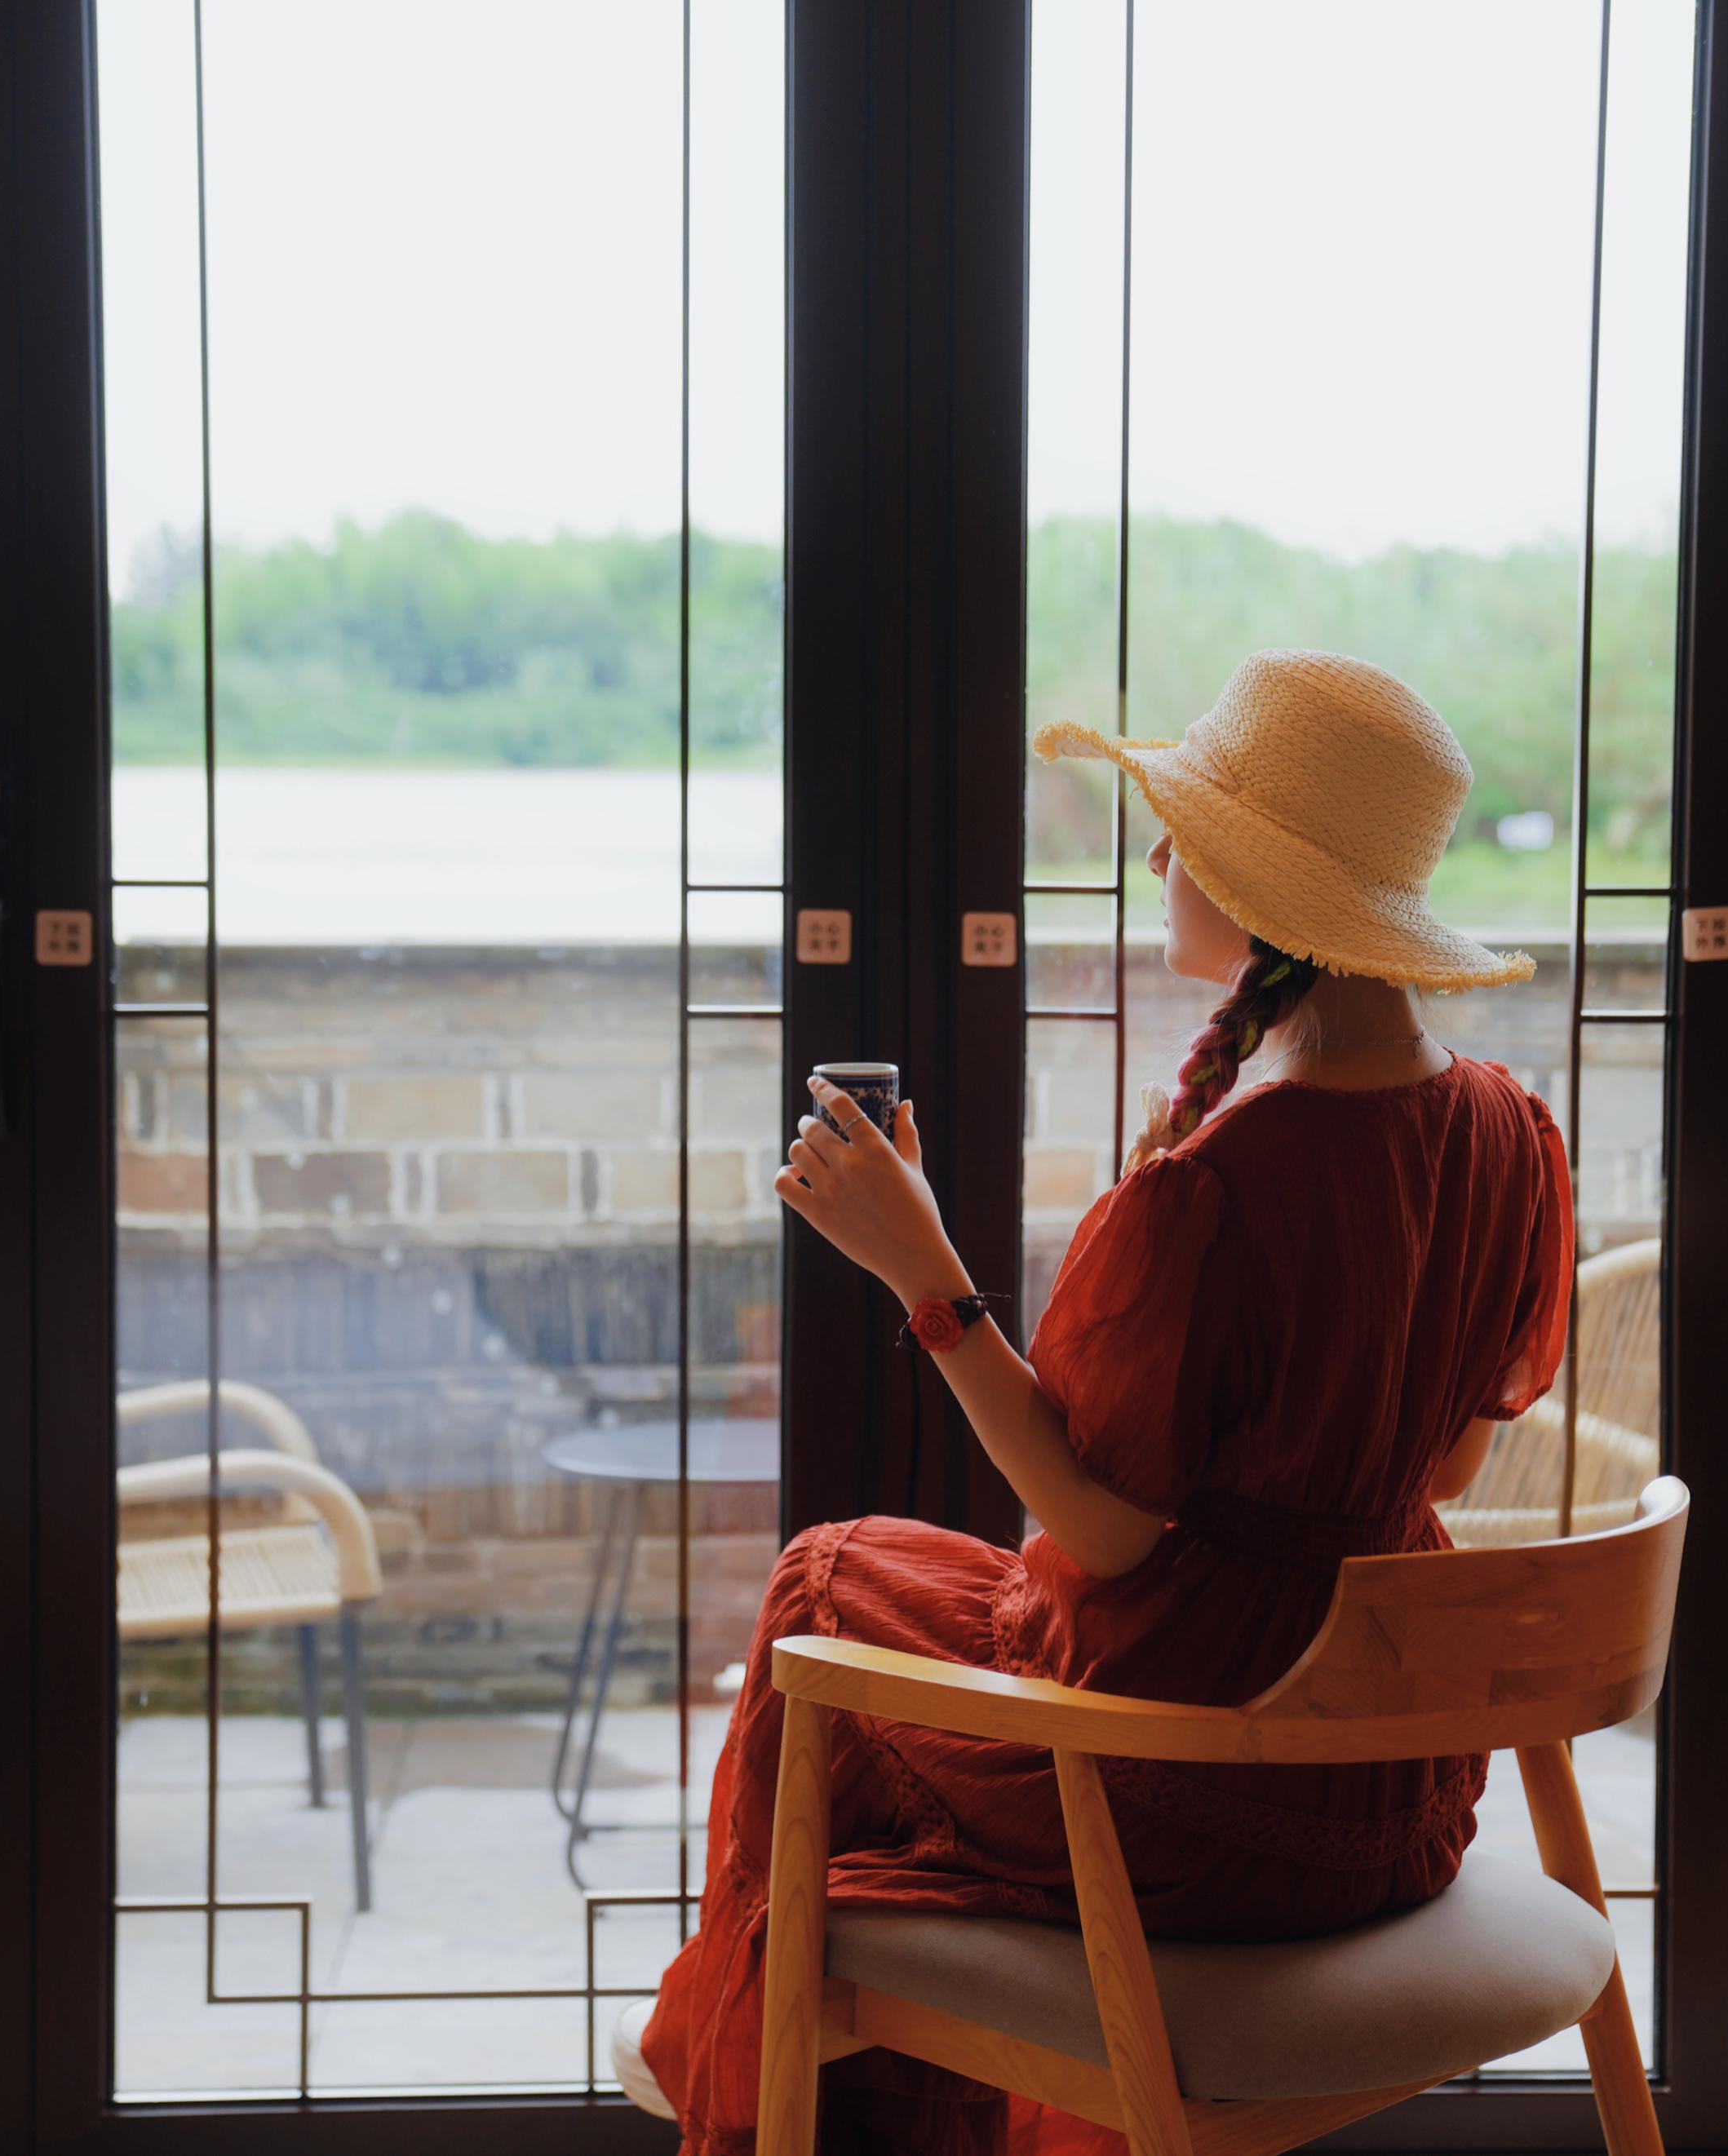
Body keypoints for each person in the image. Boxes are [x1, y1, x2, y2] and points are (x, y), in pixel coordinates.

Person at [630, 649, 1577, 2155]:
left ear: (1268, 900)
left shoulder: (1212, 1188)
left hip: (1206, 1790)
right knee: (874, 1598)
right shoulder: (1509, 1133)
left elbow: (1103, 1538)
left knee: (825, 1580)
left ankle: (791, 2119)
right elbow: (1449, 1466)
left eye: (1182, 829)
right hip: (1396, 1787)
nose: (1151, 855)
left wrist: (922, 1277)